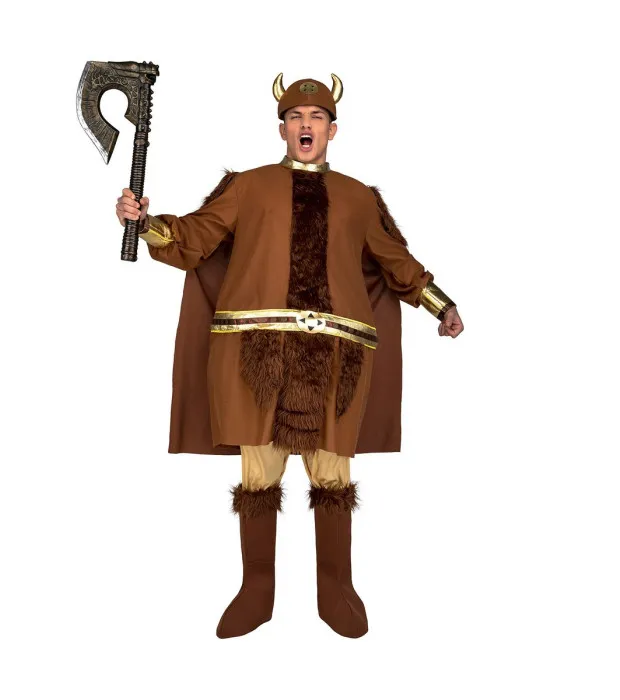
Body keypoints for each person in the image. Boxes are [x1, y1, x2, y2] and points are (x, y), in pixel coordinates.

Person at [115, 73, 464, 639]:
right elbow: (196, 238)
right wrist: (147, 224)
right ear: (282, 129)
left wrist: (439, 305)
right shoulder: (247, 186)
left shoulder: (359, 197)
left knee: (333, 471)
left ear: (332, 130)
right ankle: (256, 590)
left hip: (337, 360)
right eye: (296, 117)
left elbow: (396, 261)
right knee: (259, 472)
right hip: (257, 355)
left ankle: (336, 587)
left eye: (316, 118)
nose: (306, 125)